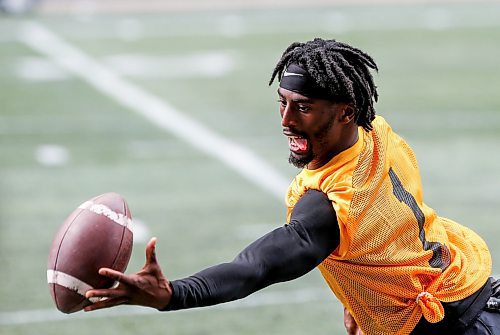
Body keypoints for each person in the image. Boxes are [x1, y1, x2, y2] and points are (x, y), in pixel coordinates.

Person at [84, 38, 500, 335]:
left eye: (303, 108)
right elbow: (387, 227)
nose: (285, 119)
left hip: (448, 324)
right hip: (469, 285)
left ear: (345, 113)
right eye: (282, 102)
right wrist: (359, 302)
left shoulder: (327, 208)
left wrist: (174, 293)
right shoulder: (378, 134)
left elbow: (257, 267)